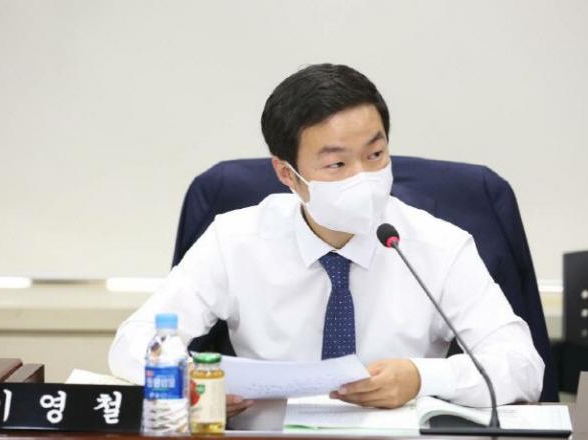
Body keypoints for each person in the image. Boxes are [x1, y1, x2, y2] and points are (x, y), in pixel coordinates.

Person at [109, 63, 544, 419]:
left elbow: (522, 366)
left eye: (375, 155)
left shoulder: (437, 246)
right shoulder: (235, 240)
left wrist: (422, 378)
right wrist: (190, 382)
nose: (364, 178)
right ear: (287, 174)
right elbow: (134, 342)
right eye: (337, 164)